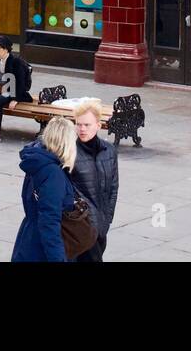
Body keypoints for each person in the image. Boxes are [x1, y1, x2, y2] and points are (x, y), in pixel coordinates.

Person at [11, 117, 78, 262]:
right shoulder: (53, 174)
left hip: (28, 238)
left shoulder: (38, 162)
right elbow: (49, 221)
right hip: (41, 249)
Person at [70, 99, 118, 262]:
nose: (82, 129)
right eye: (78, 124)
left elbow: (113, 187)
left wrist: (107, 218)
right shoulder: (70, 152)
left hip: (101, 226)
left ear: (98, 125)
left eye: (87, 125)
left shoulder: (109, 151)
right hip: (81, 225)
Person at [0, 35, 33, 144]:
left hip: (12, 90)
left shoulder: (15, 62)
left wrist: (15, 99)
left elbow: (20, 82)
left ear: (5, 49)